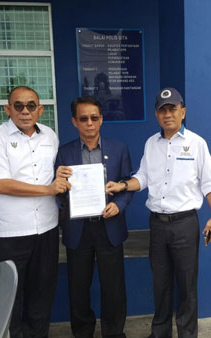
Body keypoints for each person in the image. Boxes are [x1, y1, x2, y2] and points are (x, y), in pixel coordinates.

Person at [106, 87, 211, 338]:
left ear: (183, 112)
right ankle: (160, 334)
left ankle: (187, 334)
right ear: (157, 114)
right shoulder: (151, 143)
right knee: (161, 283)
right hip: (157, 225)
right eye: (162, 110)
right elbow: (143, 177)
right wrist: (123, 185)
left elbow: (209, 183)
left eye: (172, 109)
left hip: (185, 225)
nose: (167, 114)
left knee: (187, 285)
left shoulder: (197, 144)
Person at [0, 86, 71, 338]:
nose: (25, 111)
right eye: (18, 105)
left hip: (47, 228)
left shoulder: (50, 136)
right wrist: (48, 189)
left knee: (42, 292)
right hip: (11, 231)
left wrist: (63, 179)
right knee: (10, 296)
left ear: (40, 110)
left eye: (31, 105)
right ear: (8, 109)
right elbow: (1, 184)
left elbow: (56, 174)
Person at [55, 96, 134, 338]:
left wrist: (118, 206)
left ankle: (114, 333)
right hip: (78, 229)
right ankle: (82, 333)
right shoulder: (64, 153)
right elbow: (58, 193)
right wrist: (65, 194)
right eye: (83, 119)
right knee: (78, 288)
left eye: (94, 118)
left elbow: (127, 185)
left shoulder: (119, 149)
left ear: (101, 120)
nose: (89, 123)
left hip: (109, 226)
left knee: (114, 288)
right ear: (74, 121)